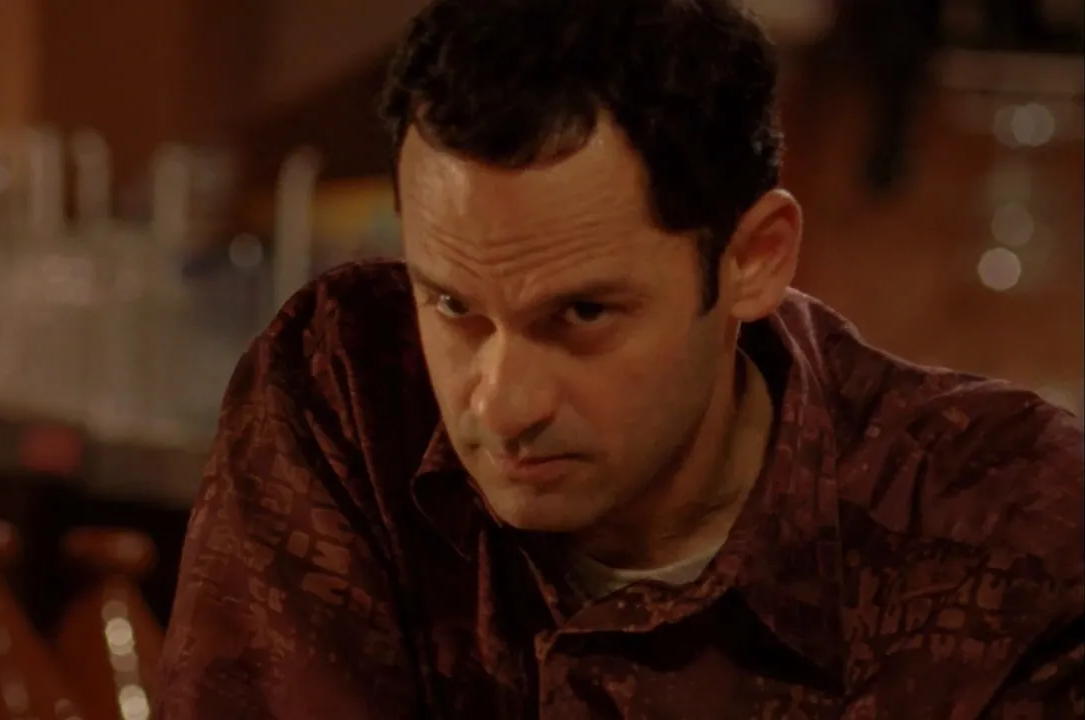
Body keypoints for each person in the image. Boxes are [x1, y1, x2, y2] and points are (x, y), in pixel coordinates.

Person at [152, 1, 1084, 717]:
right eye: (454, 305)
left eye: (584, 313)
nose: (502, 405)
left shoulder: (1006, 524)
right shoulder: (349, 390)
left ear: (754, 259)